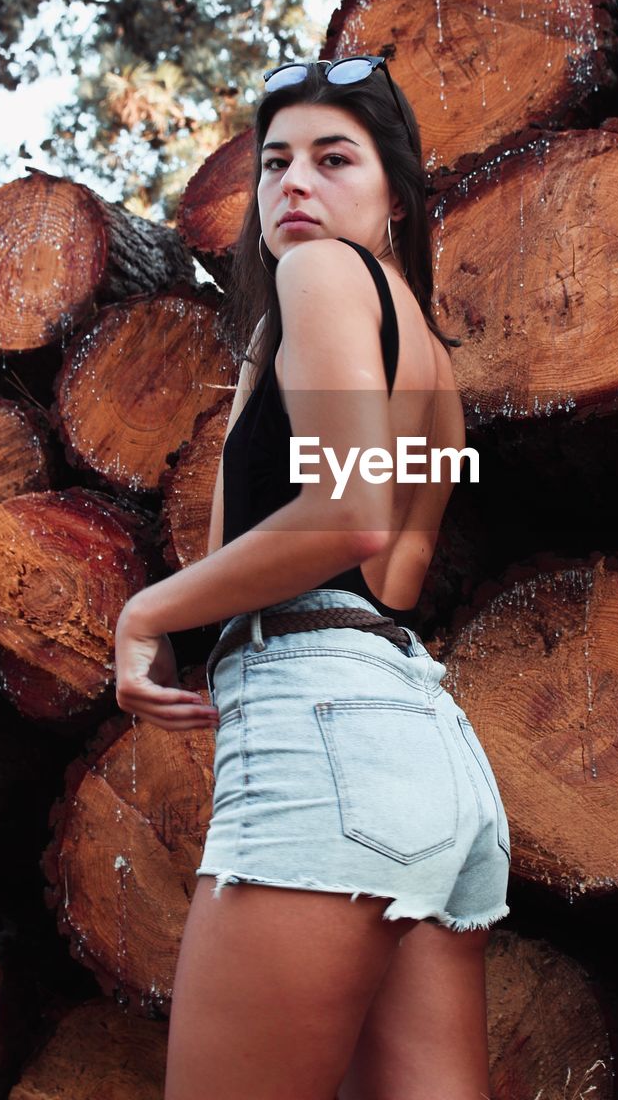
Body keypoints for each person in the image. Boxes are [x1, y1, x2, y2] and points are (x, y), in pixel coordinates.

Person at [113, 55, 511, 1100]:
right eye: (274, 162)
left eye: (334, 158)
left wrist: (148, 607)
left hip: (323, 733)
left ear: (396, 196)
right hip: (427, 749)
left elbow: (350, 514)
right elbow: (392, 555)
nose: (292, 183)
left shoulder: (320, 276)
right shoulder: (426, 355)